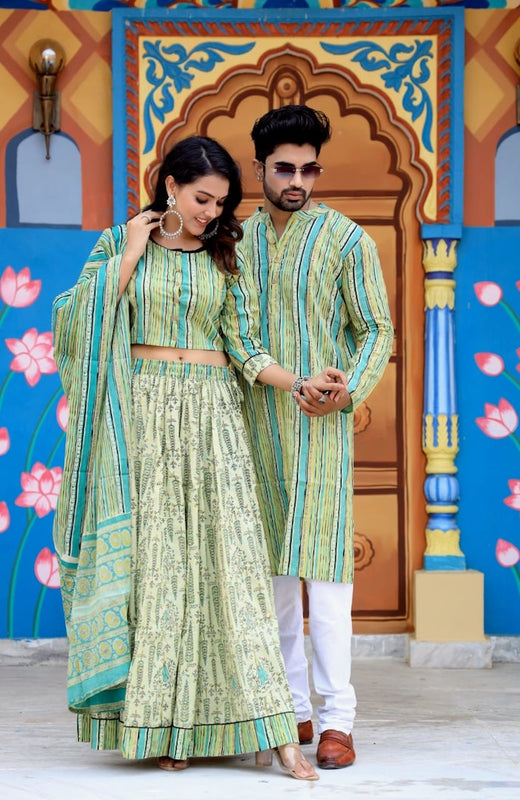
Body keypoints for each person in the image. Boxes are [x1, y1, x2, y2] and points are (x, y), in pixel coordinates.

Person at [51, 135, 347, 780]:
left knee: (232, 568)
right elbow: (77, 323)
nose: (212, 212)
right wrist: (130, 250)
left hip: (214, 415)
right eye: (201, 198)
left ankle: (277, 734)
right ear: (170, 186)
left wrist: (297, 382)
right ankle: (168, 726)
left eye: (220, 202)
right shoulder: (119, 245)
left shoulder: (224, 257)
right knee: (160, 571)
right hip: (146, 412)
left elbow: (245, 348)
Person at [237, 106, 394, 769]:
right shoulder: (235, 241)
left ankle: (337, 720)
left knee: (326, 583)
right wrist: (279, 379)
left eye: (308, 169)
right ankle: (290, 708)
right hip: (252, 426)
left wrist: (344, 388)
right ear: (260, 169)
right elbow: (232, 332)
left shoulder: (346, 239)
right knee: (271, 578)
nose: (297, 180)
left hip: (321, 430)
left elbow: (375, 329)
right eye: (284, 169)